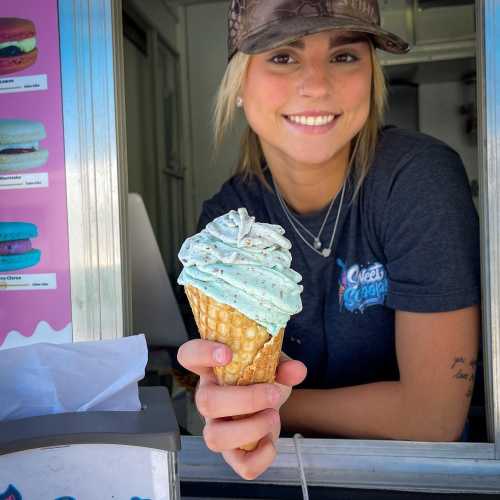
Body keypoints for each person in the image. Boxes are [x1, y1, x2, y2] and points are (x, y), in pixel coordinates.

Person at [177, 0, 481, 480]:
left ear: (372, 76)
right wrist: (219, 406)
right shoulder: (226, 226)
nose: (316, 85)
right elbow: (228, 398)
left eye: (344, 56)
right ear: (239, 84)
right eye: (282, 55)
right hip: (284, 477)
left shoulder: (417, 179)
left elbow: (434, 418)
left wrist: (269, 404)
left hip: (421, 481)